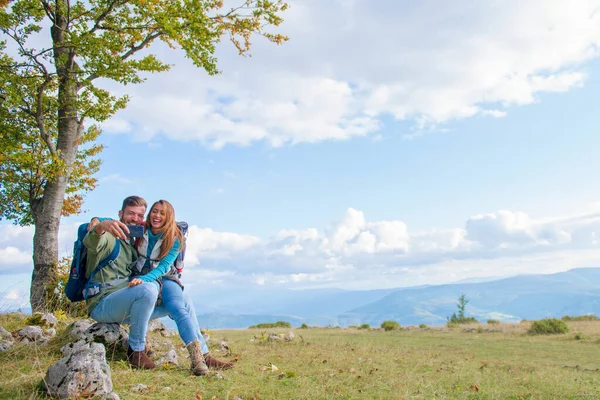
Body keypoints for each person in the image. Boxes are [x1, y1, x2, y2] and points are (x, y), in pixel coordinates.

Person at [88, 196, 233, 374]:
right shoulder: (129, 232)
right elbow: (105, 230)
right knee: (150, 290)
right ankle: (136, 351)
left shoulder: (167, 237)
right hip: (119, 296)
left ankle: (202, 356)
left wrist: (145, 279)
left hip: (150, 284)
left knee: (182, 301)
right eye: (154, 212)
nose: (156, 216)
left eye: (162, 213)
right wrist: (98, 222)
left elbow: (164, 267)